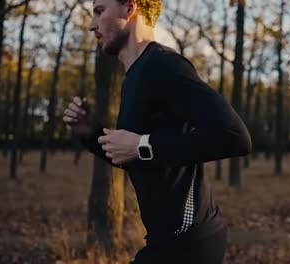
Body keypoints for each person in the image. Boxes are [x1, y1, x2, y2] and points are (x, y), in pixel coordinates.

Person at [62, 0, 251, 263]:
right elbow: (137, 158)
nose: (92, 24)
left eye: (99, 10)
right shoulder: (135, 76)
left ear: (130, 8)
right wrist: (91, 134)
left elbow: (234, 137)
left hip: (189, 241)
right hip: (166, 241)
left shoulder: (164, 66)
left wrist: (143, 145)